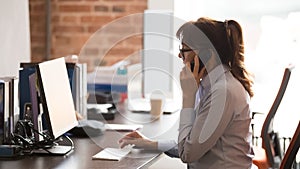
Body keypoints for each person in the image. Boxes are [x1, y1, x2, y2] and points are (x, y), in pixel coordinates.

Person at [119, 17, 255, 169]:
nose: (180, 56)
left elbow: (188, 153)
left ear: (206, 55)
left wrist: (188, 97)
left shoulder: (223, 92)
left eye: (184, 50)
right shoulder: (211, 85)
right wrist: (150, 143)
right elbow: (191, 142)